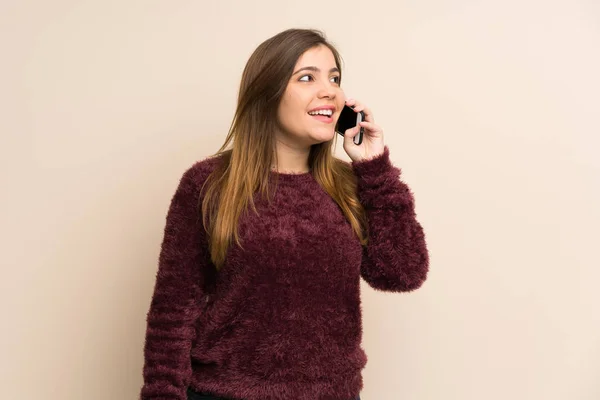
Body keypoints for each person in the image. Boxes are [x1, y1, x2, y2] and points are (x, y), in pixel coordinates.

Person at [139, 28, 429, 400]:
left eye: (334, 78)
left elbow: (402, 273)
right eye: (307, 77)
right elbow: (173, 312)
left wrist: (375, 169)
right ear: (267, 92)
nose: (329, 91)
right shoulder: (208, 184)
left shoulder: (354, 184)